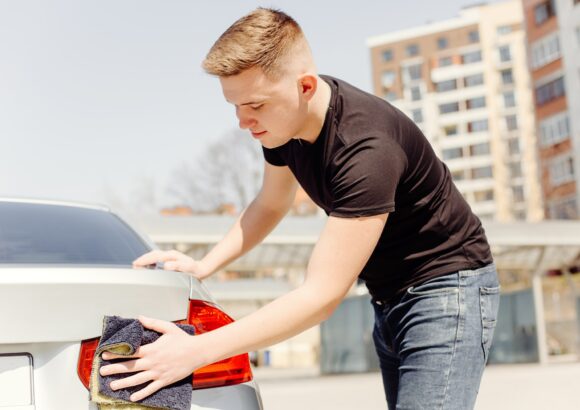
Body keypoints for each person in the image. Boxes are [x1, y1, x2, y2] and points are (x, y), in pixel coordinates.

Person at [99, 8, 500, 409]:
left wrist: (196, 349)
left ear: (305, 87)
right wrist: (205, 265)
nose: (243, 121)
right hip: (389, 296)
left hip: (448, 290)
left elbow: (320, 296)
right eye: (234, 105)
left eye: (254, 104)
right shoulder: (281, 126)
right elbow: (272, 202)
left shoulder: (366, 149)